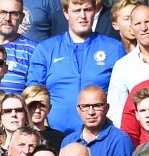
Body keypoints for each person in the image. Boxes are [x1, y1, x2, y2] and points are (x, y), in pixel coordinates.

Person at [26, 0, 125, 135]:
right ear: (66, 13)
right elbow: (33, 93)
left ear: (94, 11)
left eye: (87, 10)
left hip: (101, 134)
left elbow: (123, 95)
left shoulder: (114, 48)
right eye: (77, 11)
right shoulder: (46, 49)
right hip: (55, 135)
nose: (82, 16)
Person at [61, 85, 134, 156]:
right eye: (85, 106)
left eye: (97, 106)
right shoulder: (68, 142)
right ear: (78, 109)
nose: (91, 112)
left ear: (106, 108)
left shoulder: (120, 140)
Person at [106, 4, 149, 126]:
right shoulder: (123, 66)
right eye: (137, 24)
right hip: (138, 137)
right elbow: (116, 112)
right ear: (131, 28)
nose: (144, 28)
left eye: (148, 21)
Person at [21, 85, 64, 150]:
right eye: (32, 106)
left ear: (49, 108)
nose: (37, 110)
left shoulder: (58, 137)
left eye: (42, 106)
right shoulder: (17, 135)